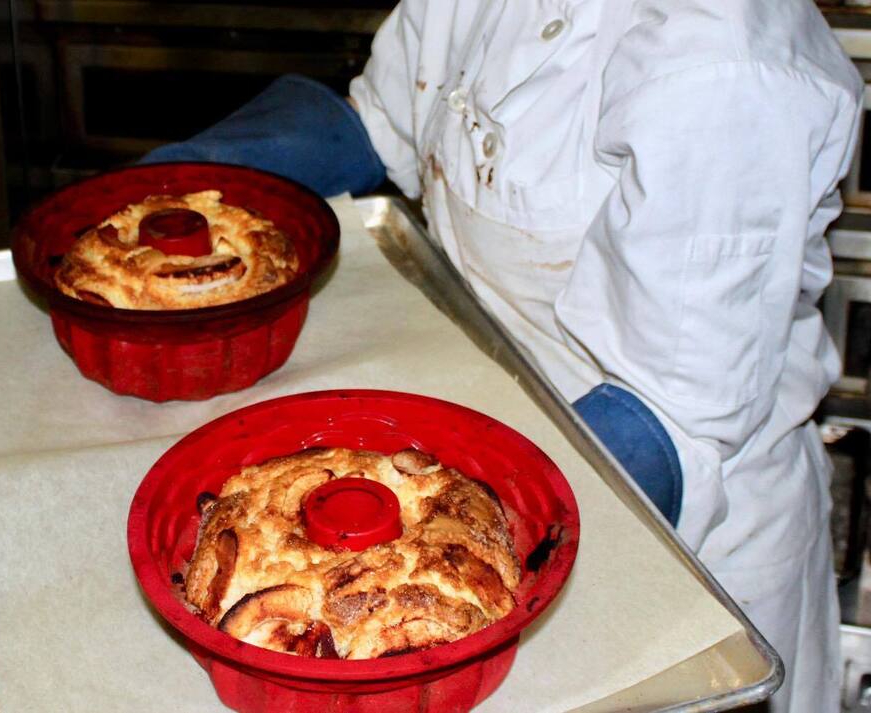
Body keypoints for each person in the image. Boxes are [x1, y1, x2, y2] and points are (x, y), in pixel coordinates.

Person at [142, 1, 862, 709]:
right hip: (481, 415)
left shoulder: (727, 67)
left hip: (660, 519)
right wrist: (181, 183)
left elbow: (672, 414)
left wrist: (436, 543)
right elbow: (384, 122)